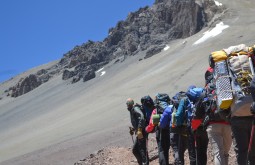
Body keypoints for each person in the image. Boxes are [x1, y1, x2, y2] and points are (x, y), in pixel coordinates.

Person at [203, 66, 232, 165]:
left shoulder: (206, 90)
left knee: (218, 153)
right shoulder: (226, 85)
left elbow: (200, 109)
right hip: (227, 123)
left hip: (212, 124)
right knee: (225, 152)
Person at [146, 93, 172, 165]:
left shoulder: (156, 110)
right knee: (166, 149)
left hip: (161, 131)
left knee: (161, 150)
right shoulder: (170, 107)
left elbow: (151, 124)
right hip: (170, 130)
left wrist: (146, 130)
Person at [126, 98, 149, 165]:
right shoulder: (132, 110)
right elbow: (138, 120)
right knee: (135, 150)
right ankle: (142, 163)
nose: (127, 105)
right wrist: (134, 129)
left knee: (142, 150)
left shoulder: (135, 109)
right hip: (139, 132)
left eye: (127, 103)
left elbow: (141, 117)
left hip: (142, 132)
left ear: (130, 104)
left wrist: (139, 129)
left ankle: (145, 163)